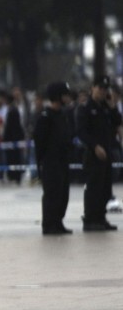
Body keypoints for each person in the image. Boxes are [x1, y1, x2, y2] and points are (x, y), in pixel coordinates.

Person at [77, 75, 121, 231]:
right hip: (93, 153)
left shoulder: (105, 107)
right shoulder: (85, 108)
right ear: (92, 88)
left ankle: (101, 218)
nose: (102, 91)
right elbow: (81, 131)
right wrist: (95, 146)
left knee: (105, 187)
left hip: (107, 152)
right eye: (100, 88)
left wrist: (112, 106)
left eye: (105, 89)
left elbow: (118, 121)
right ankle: (90, 219)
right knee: (93, 188)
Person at [33, 81, 75, 235]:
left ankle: (58, 222)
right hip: (51, 162)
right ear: (57, 96)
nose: (67, 97)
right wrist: (41, 164)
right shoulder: (45, 117)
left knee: (63, 193)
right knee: (52, 193)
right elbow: (40, 142)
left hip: (62, 160)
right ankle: (49, 224)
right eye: (64, 94)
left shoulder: (62, 115)